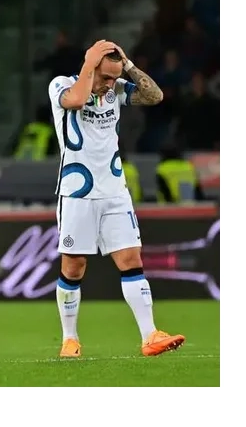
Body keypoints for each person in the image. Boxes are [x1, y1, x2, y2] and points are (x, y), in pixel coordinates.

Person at [47, 40, 185, 358]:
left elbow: (155, 96)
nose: (110, 84)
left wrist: (129, 66)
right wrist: (89, 63)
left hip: (114, 190)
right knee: (74, 266)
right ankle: (70, 339)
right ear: (91, 66)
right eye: (106, 77)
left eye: (114, 78)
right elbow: (76, 100)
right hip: (77, 191)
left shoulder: (116, 90)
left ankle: (150, 335)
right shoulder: (62, 86)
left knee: (131, 259)